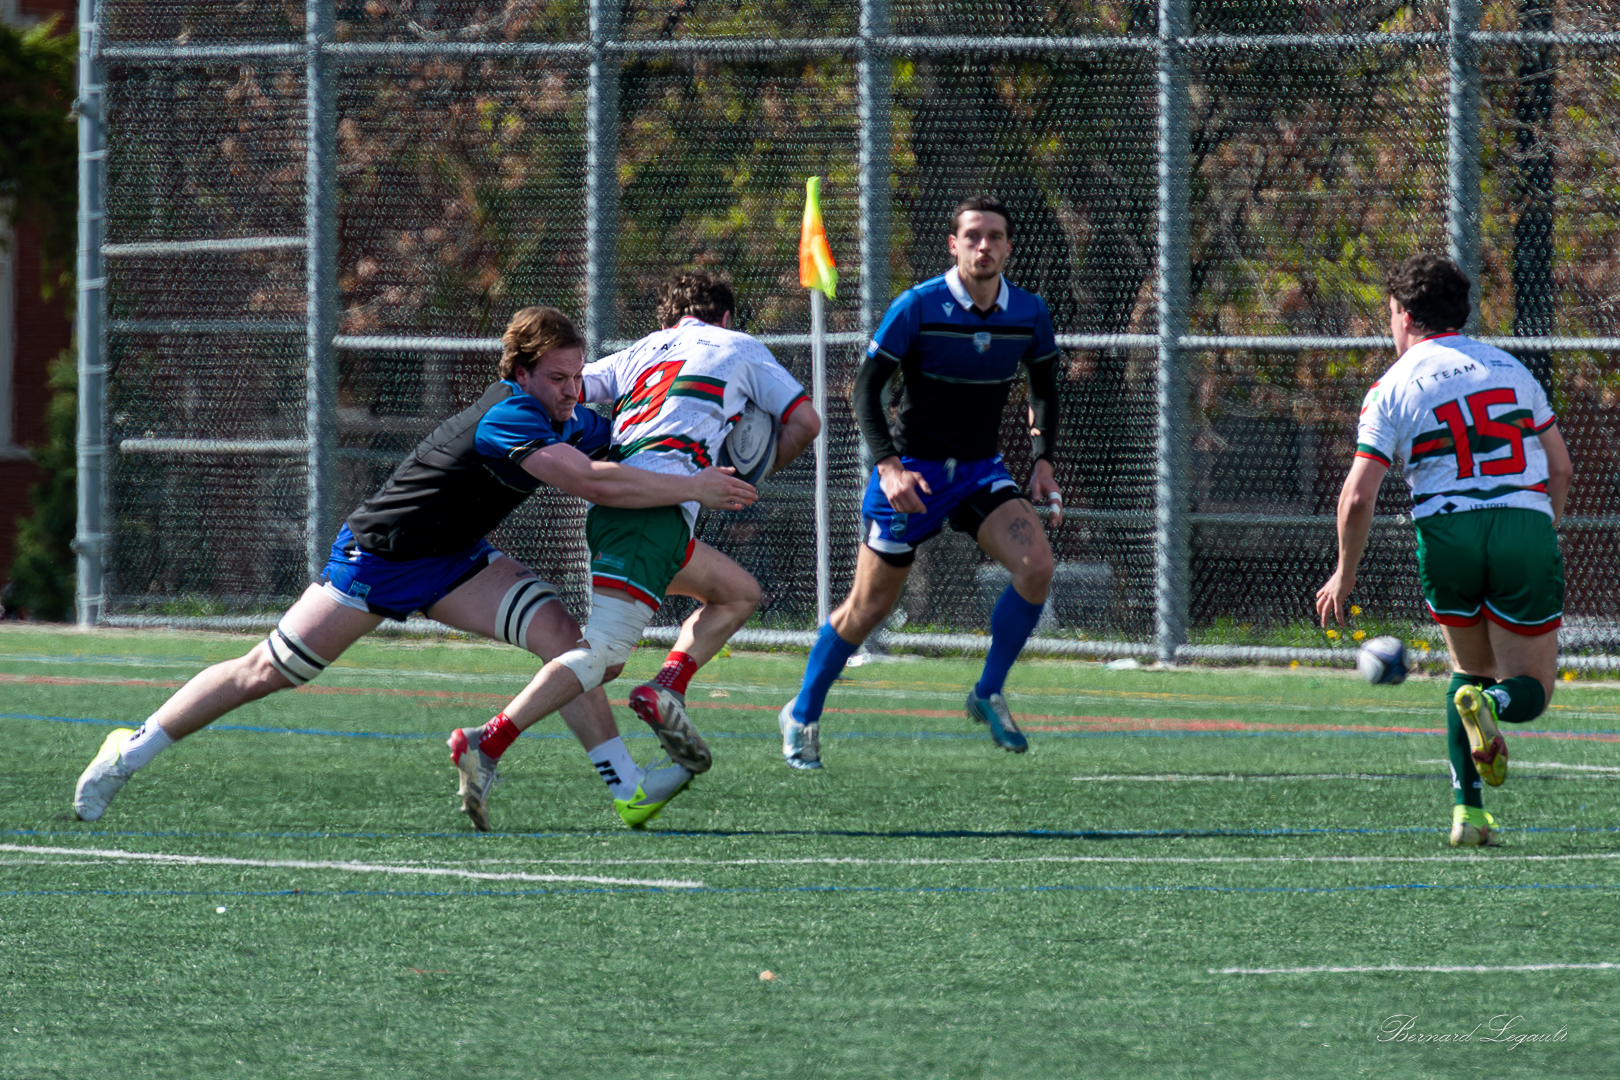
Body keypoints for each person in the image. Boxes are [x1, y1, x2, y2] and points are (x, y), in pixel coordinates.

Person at [73, 306, 758, 829]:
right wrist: (695, 486)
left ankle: (627, 789)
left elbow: (625, 447)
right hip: (381, 559)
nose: (572, 391)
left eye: (578, 377)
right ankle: (129, 750)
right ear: (519, 374)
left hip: (456, 562)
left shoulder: (566, 414)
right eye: (557, 378)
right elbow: (591, 482)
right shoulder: (509, 417)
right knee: (267, 672)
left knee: (565, 643)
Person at [446, 270, 822, 828]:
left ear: (669, 320)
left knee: (738, 593)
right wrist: (751, 475)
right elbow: (806, 421)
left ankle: (668, 687)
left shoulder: (643, 350)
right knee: (603, 655)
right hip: (652, 513)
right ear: (725, 318)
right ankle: (488, 741)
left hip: (632, 507)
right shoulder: (739, 345)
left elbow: (572, 389)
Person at [776, 193, 1065, 769]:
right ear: (953, 245)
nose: (984, 246)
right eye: (973, 236)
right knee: (867, 608)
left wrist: (1042, 460)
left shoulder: (1029, 313)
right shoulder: (917, 305)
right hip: (915, 473)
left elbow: (1044, 388)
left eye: (995, 236)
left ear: (1009, 247)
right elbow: (865, 390)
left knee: (1037, 567)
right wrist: (888, 467)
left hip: (981, 471)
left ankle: (987, 692)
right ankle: (801, 713)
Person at [1316, 254, 1573, 847]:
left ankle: (1469, 814)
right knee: (1529, 690)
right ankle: (1495, 704)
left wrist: (1344, 574)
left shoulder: (1392, 386)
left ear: (1406, 316)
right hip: (1521, 524)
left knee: (1467, 673)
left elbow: (1358, 496)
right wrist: (1541, 529)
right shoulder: (1512, 369)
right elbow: (1559, 467)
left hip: (1445, 531)